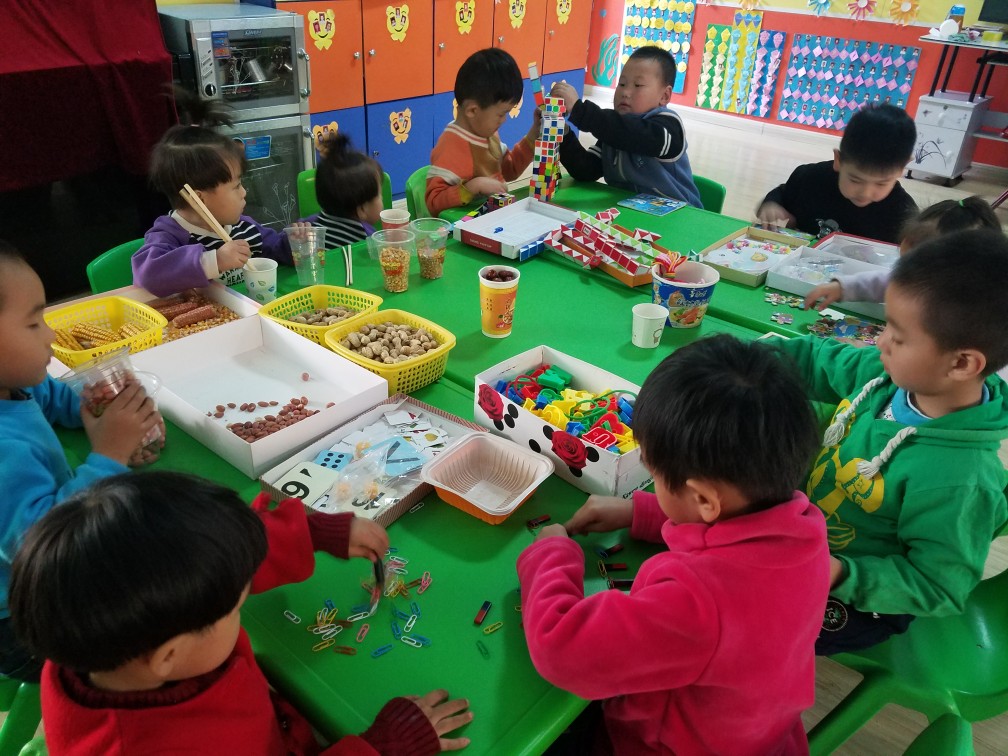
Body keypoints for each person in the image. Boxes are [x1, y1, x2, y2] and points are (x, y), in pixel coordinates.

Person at [10, 471, 474, 755]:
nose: (244, 595)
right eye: (236, 607)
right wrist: (381, 748)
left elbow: (197, 560)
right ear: (168, 656)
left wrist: (311, 534)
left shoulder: (95, 625)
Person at [517, 335, 830, 755]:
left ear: (703, 499)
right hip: (760, 736)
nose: (652, 482)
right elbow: (733, 528)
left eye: (655, 475)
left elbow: (562, 651)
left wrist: (550, 555)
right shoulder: (806, 529)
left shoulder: (697, 604)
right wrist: (642, 512)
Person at [779, 228, 1008, 655]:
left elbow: (937, 585)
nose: (880, 341)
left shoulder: (962, 479)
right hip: (805, 529)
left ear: (961, 363)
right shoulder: (891, 375)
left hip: (859, 593)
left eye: (898, 336)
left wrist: (838, 573)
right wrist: (736, 359)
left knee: (753, 626)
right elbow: (815, 359)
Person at [0, 241, 159, 681]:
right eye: (33, 323)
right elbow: (46, 543)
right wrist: (109, 454)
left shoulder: (15, 381)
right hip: (27, 618)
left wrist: (93, 404)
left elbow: (52, 397)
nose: (51, 336)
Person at [132, 93, 297, 297]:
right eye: (236, 186)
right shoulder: (170, 235)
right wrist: (214, 261)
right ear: (199, 199)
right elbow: (148, 275)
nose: (244, 192)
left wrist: (294, 243)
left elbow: (275, 250)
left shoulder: (244, 227)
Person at [552, 46, 703, 209]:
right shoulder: (613, 133)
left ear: (664, 96)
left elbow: (636, 136)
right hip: (632, 213)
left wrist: (580, 110)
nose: (625, 92)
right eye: (622, 84)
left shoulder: (668, 127)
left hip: (679, 213)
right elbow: (586, 170)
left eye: (638, 85)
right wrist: (562, 132)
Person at [804, 196, 1002, 310]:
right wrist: (843, 287)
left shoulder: (966, 313)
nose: (907, 274)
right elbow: (886, 282)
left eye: (916, 266)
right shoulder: (919, 279)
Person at [756, 103, 918, 243]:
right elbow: (781, 194)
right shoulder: (809, 179)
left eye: (881, 183)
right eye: (855, 180)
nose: (866, 192)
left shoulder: (903, 213)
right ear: (839, 160)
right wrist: (771, 205)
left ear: (902, 169)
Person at [426, 48, 540, 215]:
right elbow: (433, 202)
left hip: (492, 218)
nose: (504, 120)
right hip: (462, 225)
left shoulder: (487, 133)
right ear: (472, 110)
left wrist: (533, 134)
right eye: (501, 114)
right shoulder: (451, 147)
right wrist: (473, 187)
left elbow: (509, 170)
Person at [304, 133, 384, 248]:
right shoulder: (368, 241)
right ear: (362, 209)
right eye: (379, 195)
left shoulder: (309, 227)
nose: (381, 198)